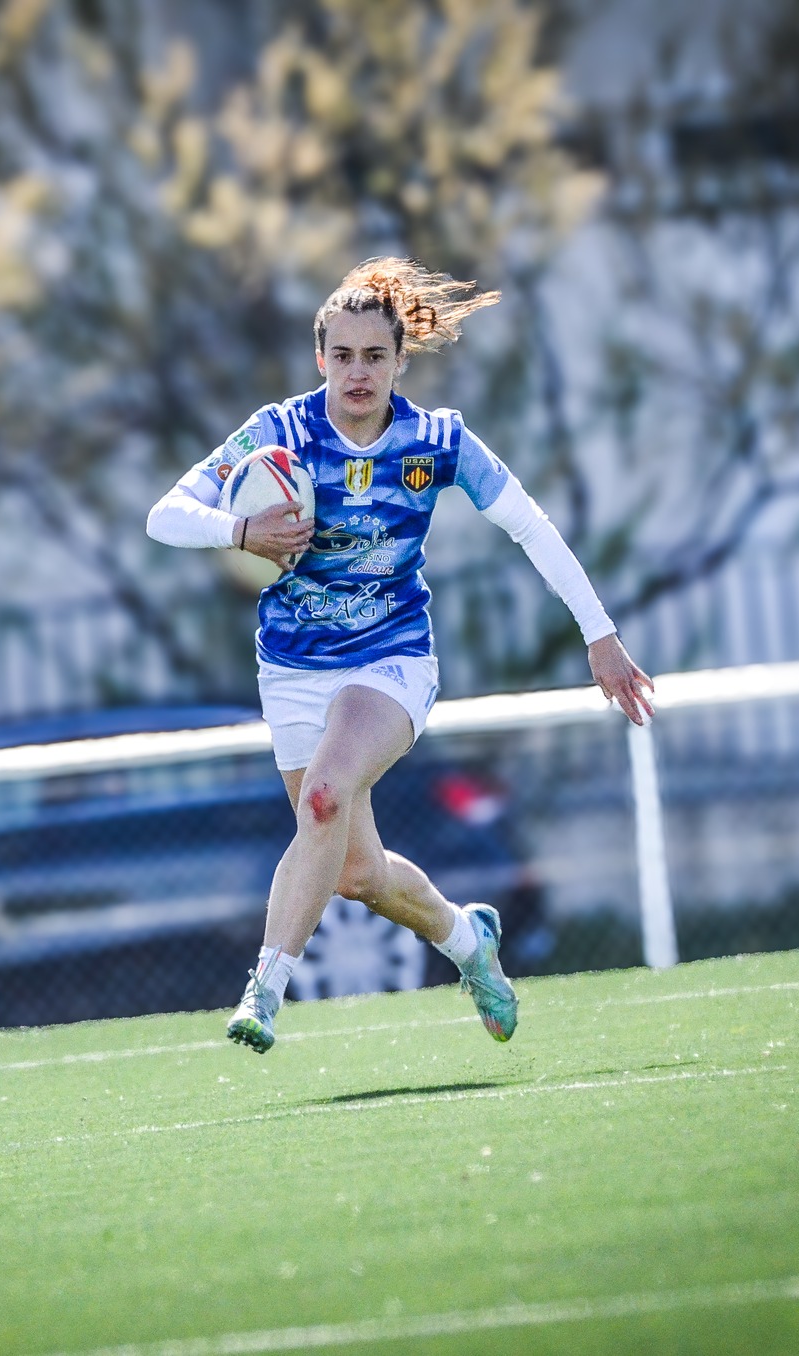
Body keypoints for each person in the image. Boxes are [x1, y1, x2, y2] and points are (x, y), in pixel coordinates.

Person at [145, 257, 655, 1053]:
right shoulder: (278, 432)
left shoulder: (438, 440)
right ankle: (466, 939)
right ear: (321, 359)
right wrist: (239, 531)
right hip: (290, 669)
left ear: (399, 360)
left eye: (374, 356)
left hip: (390, 661)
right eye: (342, 356)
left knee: (324, 794)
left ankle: (264, 990)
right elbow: (165, 516)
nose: (358, 372)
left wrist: (600, 632)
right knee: (355, 872)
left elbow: (530, 525)